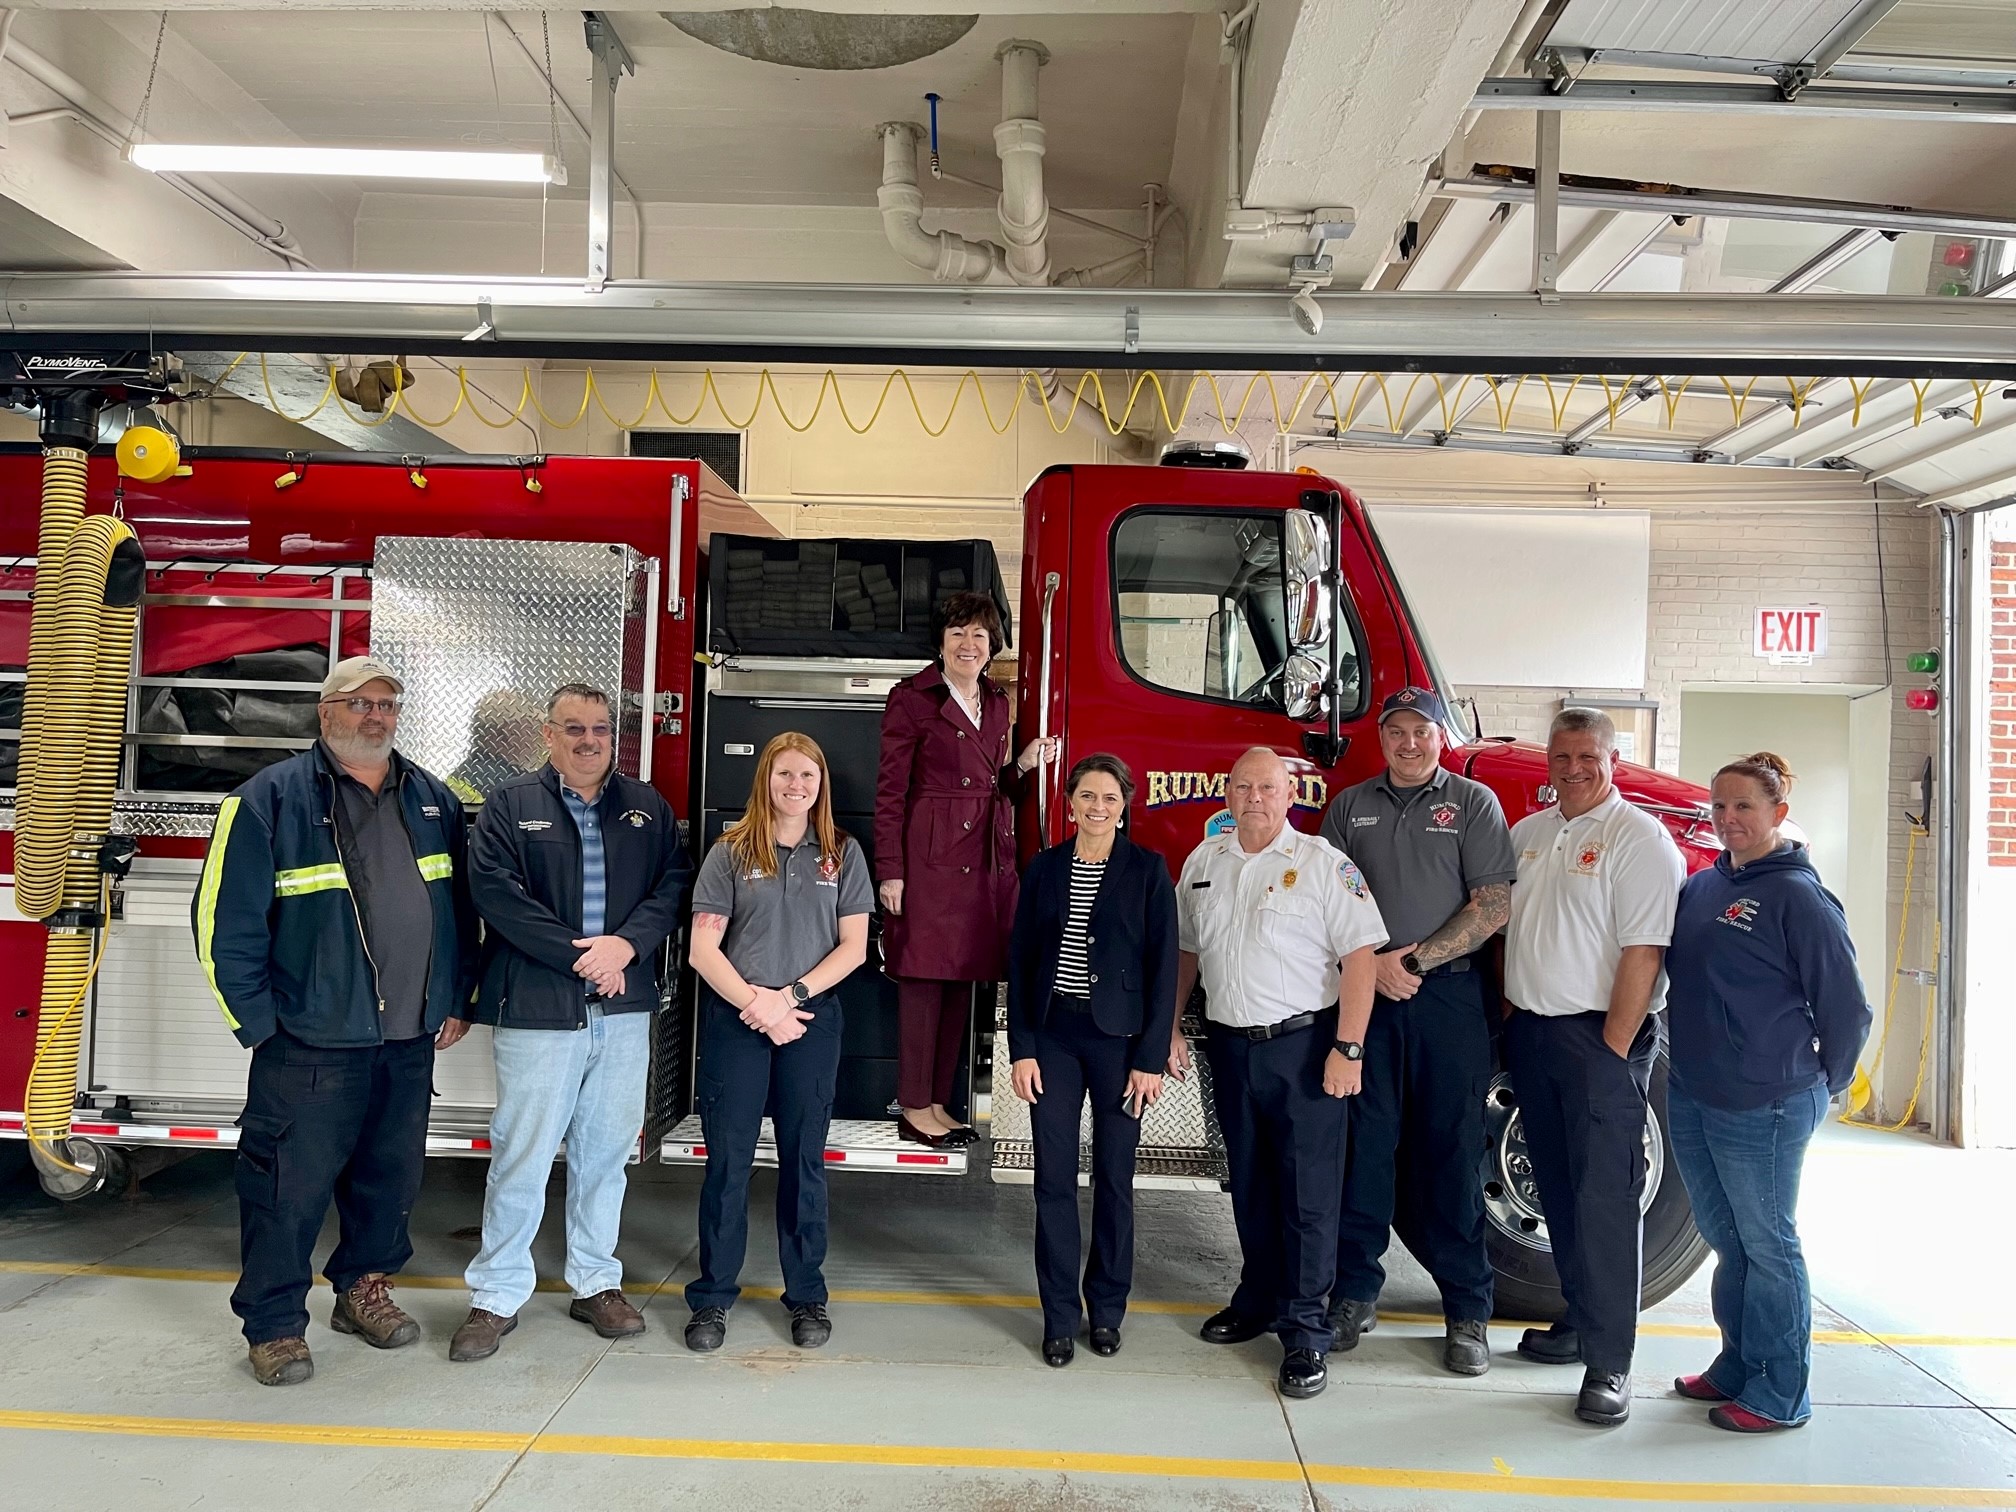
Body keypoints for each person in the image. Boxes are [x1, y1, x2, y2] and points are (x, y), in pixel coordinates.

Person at [192, 655, 477, 1387]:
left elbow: (459, 913)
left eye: (387, 704)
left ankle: (362, 1290)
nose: (375, 716)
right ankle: (276, 1325)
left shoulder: (433, 800)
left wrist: (454, 997)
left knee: (390, 1179)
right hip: (311, 1043)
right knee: (287, 1189)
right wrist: (260, 1025)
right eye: (359, 704)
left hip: (407, 1038)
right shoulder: (267, 802)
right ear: (326, 713)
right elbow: (223, 924)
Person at [450, 684, 694, 1363]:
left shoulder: (645, 807)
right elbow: (494, 893)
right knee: (522, 1152)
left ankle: (595, 1282)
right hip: (537, 1006)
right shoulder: (510, 805)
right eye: (573, 729)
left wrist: (626, 947)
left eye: (599, 730)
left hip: (621, 1010)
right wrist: (582, 958)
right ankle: (497, 1294)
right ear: (548, 735)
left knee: (605, 1153)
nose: (589, 740)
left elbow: (673, 886)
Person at [1663, 752, 1871, 1433]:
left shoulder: (1799, 897)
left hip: (1766, 1100)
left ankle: (1782, 1391)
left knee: (1767, 1242)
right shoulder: (1704, 886)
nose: (1729, 819)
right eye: (1719, 807)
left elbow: (1846, 1008)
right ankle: (1738, 1363)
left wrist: (1818, 1087)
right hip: (1696, 1090)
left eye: (1744, 806)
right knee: (1727, 1238)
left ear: (1779, 813)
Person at [1170, 746, 1386, 1400]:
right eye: (1243, 787)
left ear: (1289, 795)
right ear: (1227, 793)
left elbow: (1360, 959)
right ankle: (1258, 1298)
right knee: (1251, 1186)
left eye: (1268, 787)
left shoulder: (1324, 866)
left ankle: (1306, 1331)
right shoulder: (1204, 863)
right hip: (1232, 1048)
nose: (1255, 798)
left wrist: (1347, 1049)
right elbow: (1186, 953)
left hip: (1305, 1048)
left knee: (1309, 1197)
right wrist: (1170, 1026)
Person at [1318, 687, 1515, 1376]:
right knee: (1363, 1151)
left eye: (1420, 732)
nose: (1408, 742)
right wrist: (1369, 966)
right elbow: (1329, 899)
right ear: (1382, 737)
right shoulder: (1350, 806)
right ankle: (1353, 1295)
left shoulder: (1471, 803)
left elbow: (1494, 902)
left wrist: (1415, 960)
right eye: (1395, 731)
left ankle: (1467, 1309)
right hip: (1365, 997)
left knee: (1451, 1155)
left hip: (1448, 1000)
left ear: (1440, 736)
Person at [1502, 706, 1686, 1427]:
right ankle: (1579, 1323)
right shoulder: (1530, 835)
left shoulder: (1637, 838)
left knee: (1606, 1202)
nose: (1574, 770)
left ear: (1613, 761)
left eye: (1588, 758)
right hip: (1536, 1037)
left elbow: (1645, 949)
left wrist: (1613, 1048)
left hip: (1598, 1043)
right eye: (1562, 758)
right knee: (1560, 1191)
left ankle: (1610, 1363)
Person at [683, 732, 873, 1352]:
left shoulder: (841, 854)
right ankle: (712, 1299)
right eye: (785, 774)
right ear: (765, 778)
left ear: (822, 786)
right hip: (737, 1022)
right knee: (728, 1165)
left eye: (808, 777)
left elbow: (853, 947)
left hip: (809, 1023)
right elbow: (702, 949)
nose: (797, 787)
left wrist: (787, 1000)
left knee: (804, 1163)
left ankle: (807, 1294)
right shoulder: (730, 852)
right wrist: (757, 1005)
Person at [1007, 754, 1179, 1367]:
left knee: (1115, 1180)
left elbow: (1164, 973)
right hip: (1054, 1040)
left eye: (1109, 797)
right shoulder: (1045, 868)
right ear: (1070, 802)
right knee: (1053, 1181)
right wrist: (1021, 1048)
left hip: (1119, 1046)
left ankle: (1106, 1311)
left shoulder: (1148, 871)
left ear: (1125, 804)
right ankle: (1058, 1317)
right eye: (1086, 795)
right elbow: (1022, 963)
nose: (1097, 806)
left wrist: (1150, 1058)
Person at [875, 590, 1056, 1147]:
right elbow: (890, 790)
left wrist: (1022, 764)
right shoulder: (911, 699)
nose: (968, 644)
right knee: (924, 979)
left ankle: (937, 1101)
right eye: (957, 633)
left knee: (961, 980)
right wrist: (891, 869)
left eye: (979, 634)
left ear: (992, 645)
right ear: (942, 642)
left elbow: (992, 783)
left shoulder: (998, 704)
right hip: (928, 858)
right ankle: (913, 1105)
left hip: (981, 857)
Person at [445, 688, 547, 805]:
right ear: (507, 733)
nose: (539, 737)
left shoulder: (465, 773)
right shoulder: (515, 784)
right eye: (532, 728)